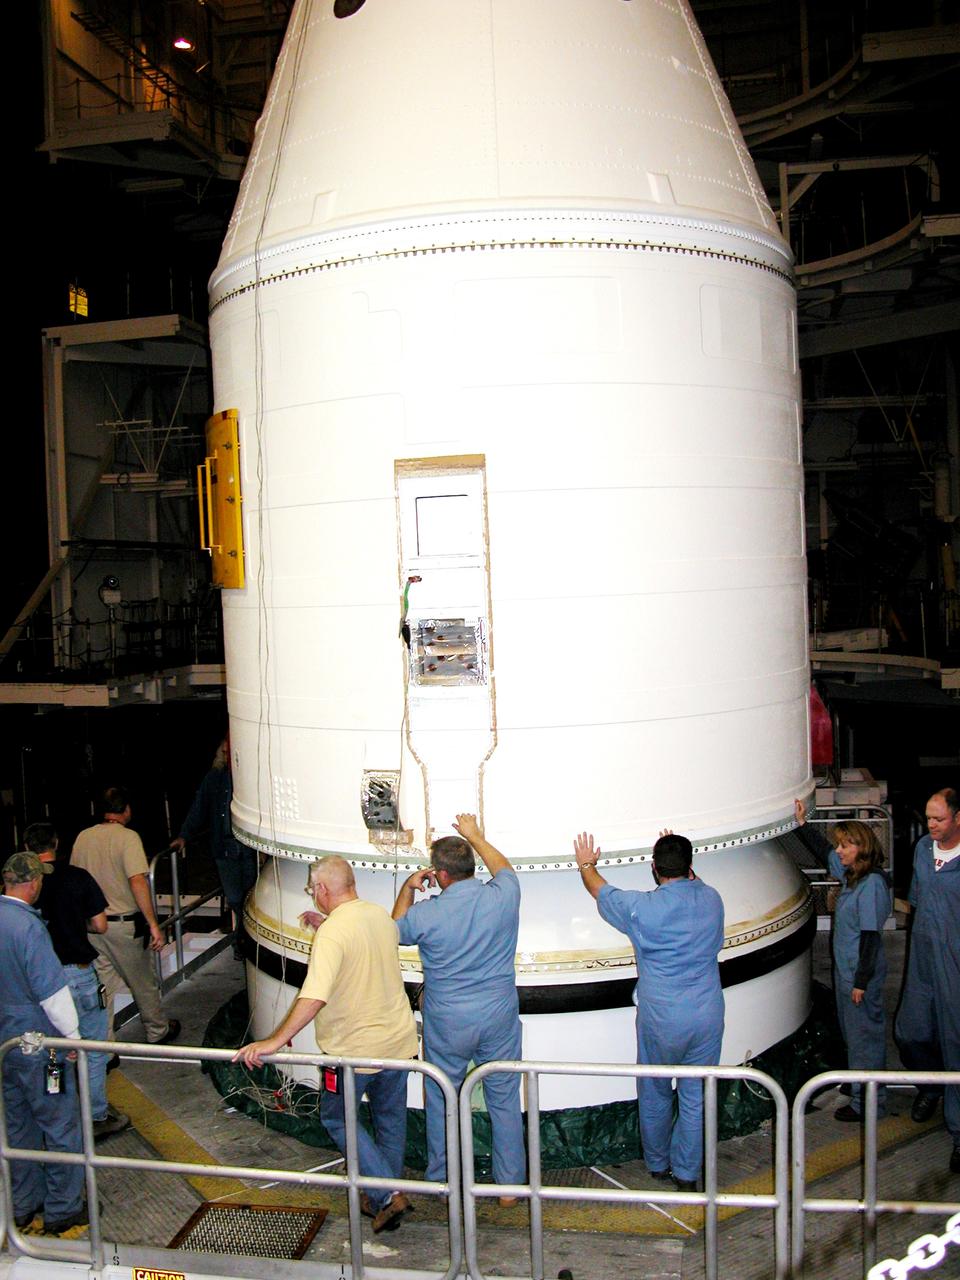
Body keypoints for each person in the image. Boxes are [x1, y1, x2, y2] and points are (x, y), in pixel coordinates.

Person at [234, 855, 418, 1233]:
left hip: (352, 1050)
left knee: (336, 1117)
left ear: (321, 889)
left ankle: (386, 1195)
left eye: (310, 889)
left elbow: (313, 995)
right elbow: (368, 937)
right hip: (398, 1041)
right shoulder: (377, 917)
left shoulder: (334, 933)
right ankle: (385, 1193)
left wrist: (273, 1041)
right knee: (389, 1119)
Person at [573, 829, 724, 1191]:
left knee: (655, 1090)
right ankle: (688, 1174)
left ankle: (657, 1164)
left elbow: (599, 889)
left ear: (654, 869)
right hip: (707, 1014)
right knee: (694, 1094)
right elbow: (695, 883)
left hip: (662, 1016)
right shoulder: (712, 899)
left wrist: (586, 863)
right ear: (691, 866)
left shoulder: (643, 909)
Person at [392, 814, 525, 1205]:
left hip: (447, 1019)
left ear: (440, 875)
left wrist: (408, 888)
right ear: (470, 868)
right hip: (498, 1014)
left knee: (442, 1095)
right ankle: (510, 1188)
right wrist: (476, 835)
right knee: (503, 1096)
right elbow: (504, 869)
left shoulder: (427, 914)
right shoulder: (504, 896)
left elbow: (394, 929)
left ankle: (444, 1179)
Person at [25, 821, 130, 1139]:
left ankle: (53, 1115)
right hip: (79, 975)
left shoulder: (24, 885)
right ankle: (96, 1115)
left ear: (27, 847)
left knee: (49, 1050)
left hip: (42, 980)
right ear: (56, 842)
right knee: (92, 1048)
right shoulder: (76, 877)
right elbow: (100, 925)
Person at [0, 852, 87, 1236]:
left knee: (17, 1126)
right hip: (37, 1045)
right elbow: (52, 993)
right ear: (33, 882)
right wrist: (73, 1039)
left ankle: (23, 1204)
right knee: (59, 1124)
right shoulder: (29, 929)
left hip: (4, 1044)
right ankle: (63, 1209)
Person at [794, 801, 892, 1120]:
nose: (839, 850)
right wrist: (800, 824)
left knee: (866, 1039)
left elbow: (870, 938)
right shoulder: (851, 875)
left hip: (858, 977)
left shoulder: (872, 885)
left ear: (860, 848)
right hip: (847, 973)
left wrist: (860, 983)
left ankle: (869, 1104)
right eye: (839, 844)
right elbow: (823, 852)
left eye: (845, 845)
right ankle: (857, 1083)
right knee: (853, 1033)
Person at [70, 787, 180, 1046]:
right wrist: (154, 924)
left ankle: (105, 1046)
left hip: (93, 926)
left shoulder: (83, 837)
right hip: (123, 926)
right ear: (126, 809)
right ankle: (157, 1030)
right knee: (143, 981)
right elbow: (137, 881)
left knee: (103, 988)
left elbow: (75, 880)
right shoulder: (128, 838)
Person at [895, 787, 960, 1175]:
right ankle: (932, 1086)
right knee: (911, 1031)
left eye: (938, 819)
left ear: (958, 818)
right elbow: (917, 900)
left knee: (955, 1043)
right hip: (922, 955)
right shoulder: (922, 849)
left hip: (955, 961)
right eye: (928, 817)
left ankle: (958, 1134)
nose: (930, 825)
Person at [172, 736, 259, 961]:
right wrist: (183, 835)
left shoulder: (249, 778)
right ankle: (243, 941)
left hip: (248, 849)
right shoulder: (214, 779)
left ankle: (247, 942)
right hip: (224, 849)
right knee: (235, 899)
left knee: (251, 899)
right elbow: (198, 808)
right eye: (226, 752)